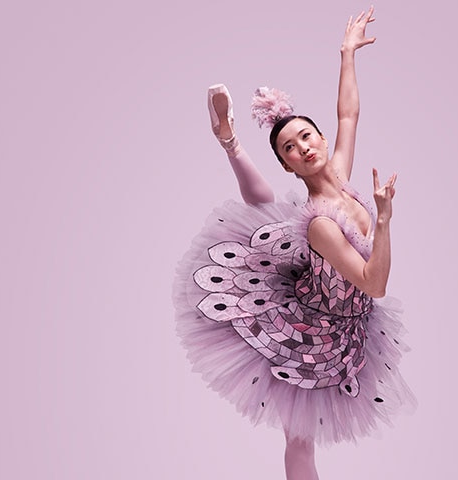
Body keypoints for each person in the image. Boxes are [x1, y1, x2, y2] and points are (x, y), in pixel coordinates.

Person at [171, 7, 414, 480]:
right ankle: (231, 142)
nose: (303, 147)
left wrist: (347, 54)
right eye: (290, 148)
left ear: (320, 139)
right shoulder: (321, 225)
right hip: (309, 330)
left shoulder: (342, 176)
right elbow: (375, 282)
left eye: (307, 136)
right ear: (289, 167)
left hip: (350, 326)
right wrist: (383, 222)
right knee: (299, 439)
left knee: (303, 438)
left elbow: (348, 112)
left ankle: (230, 142)